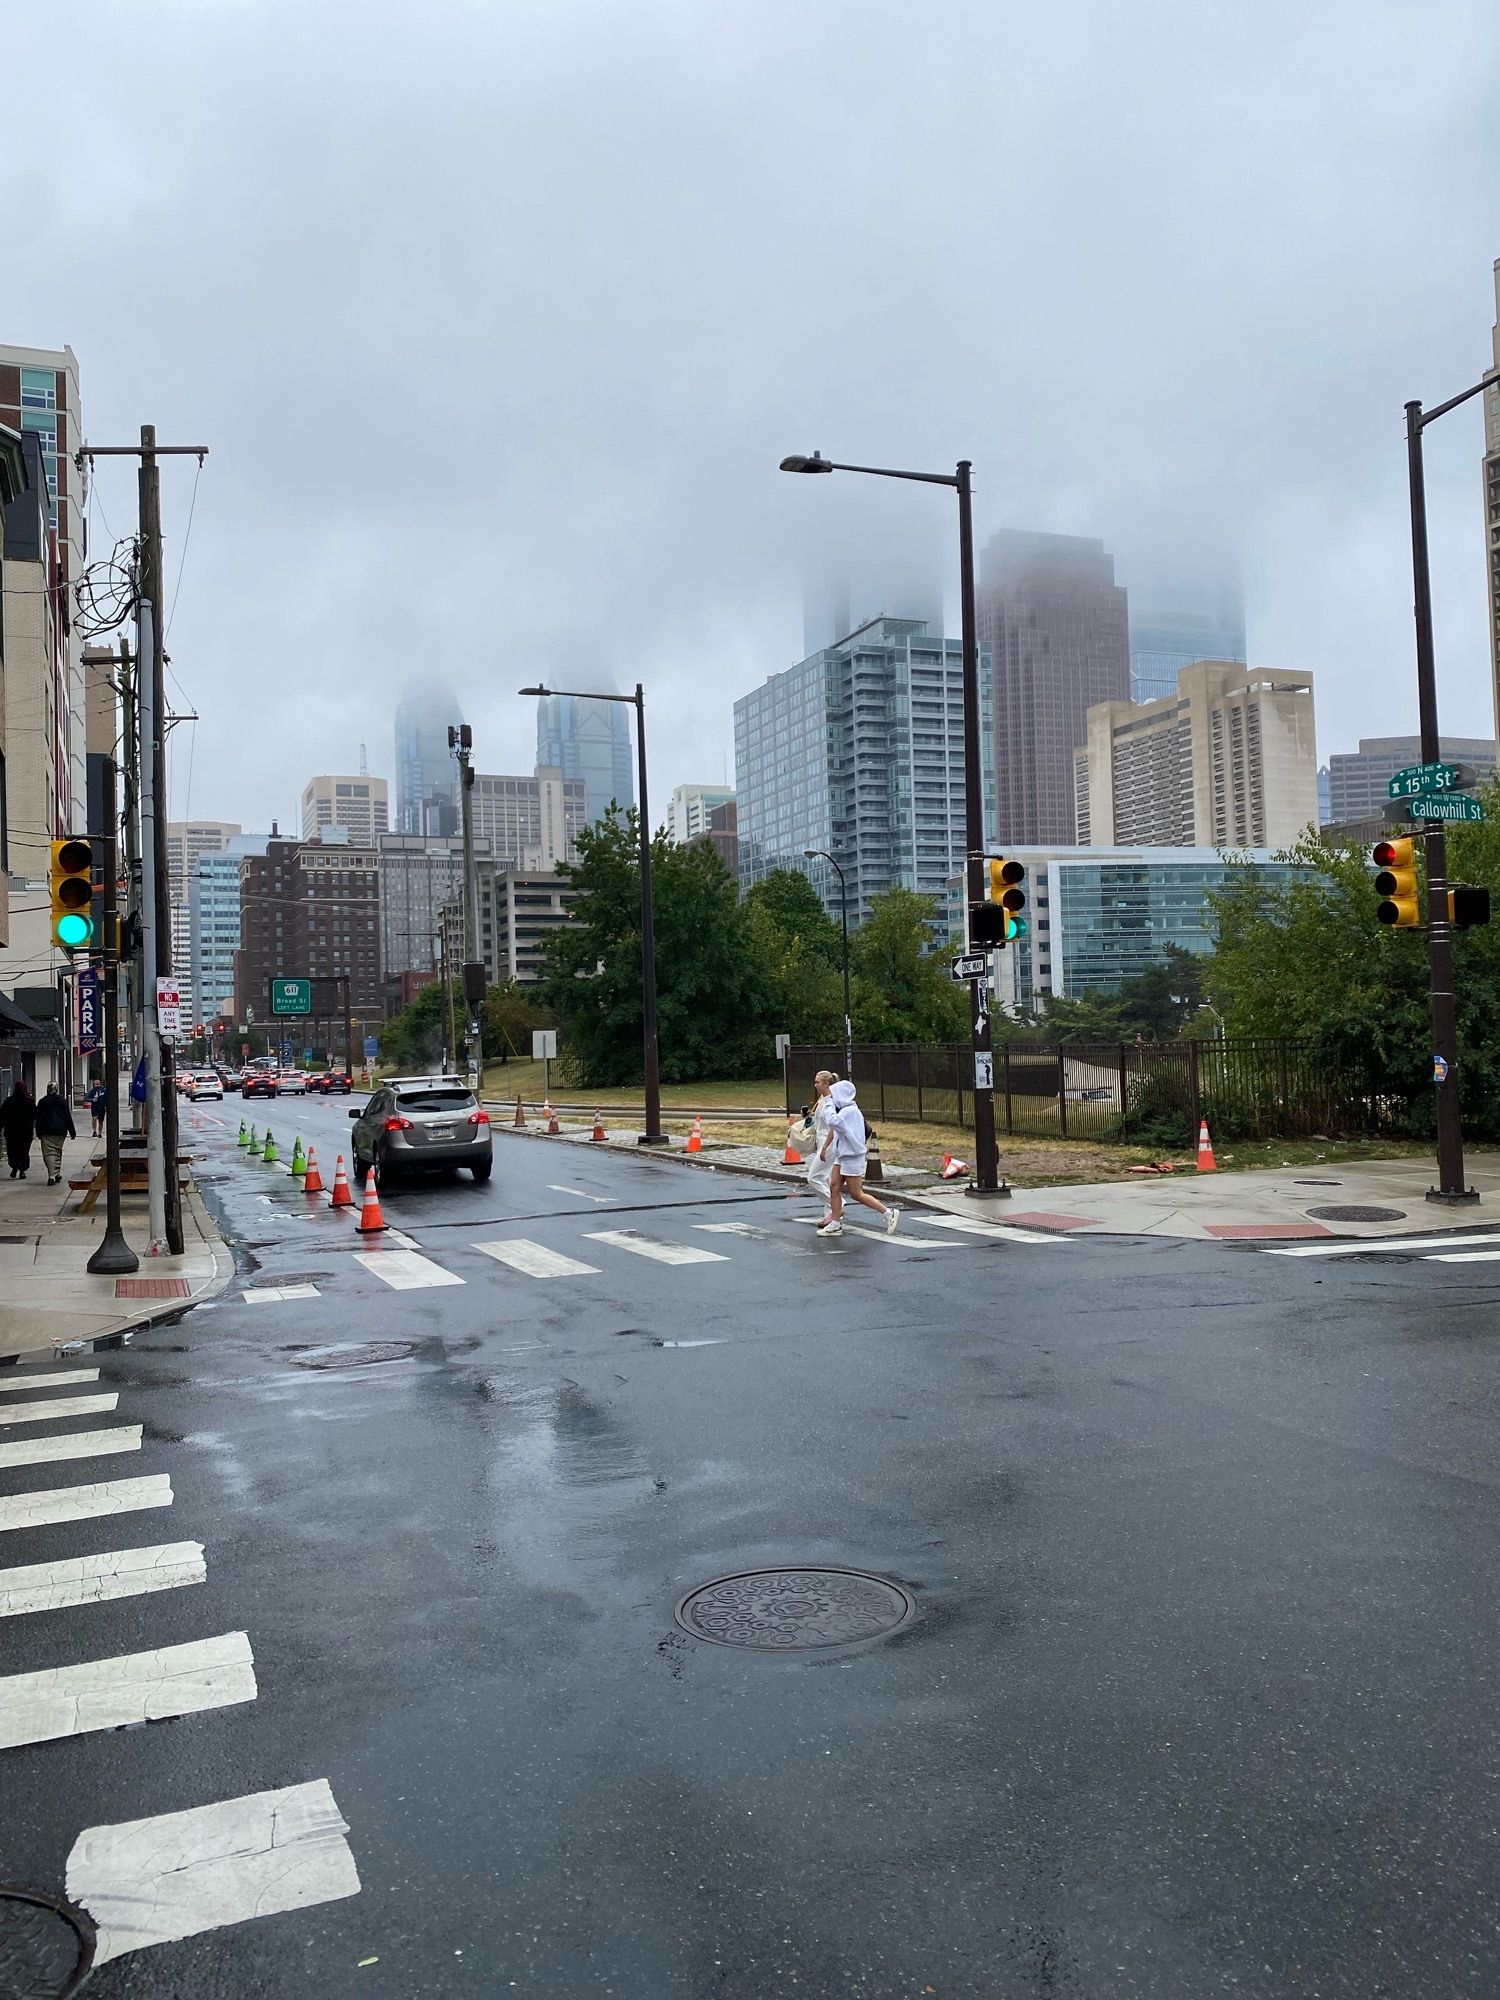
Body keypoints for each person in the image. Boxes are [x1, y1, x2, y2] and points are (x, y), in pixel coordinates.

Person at [818, 1078, 899, 1238]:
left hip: (852, 1156)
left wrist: (827, 1100)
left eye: (834, 1094)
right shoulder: (848, 1110)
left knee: (856, 1193)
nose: (833, 1097)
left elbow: (833, 1122)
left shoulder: (849, 1112)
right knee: (834, 1186)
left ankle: (888, 1212)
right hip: (843, 1154)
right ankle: (835, 1223)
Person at [805, 1069, 839, 1226]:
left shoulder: (830, 1100)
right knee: (825, 1178)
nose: (815, 1085)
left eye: (817, 1082)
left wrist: (825, 1147)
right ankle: (831, 1215)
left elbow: (833, 1126)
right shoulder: (822, 1099)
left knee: (813, 1178)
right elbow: (819, 1120)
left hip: (828, 1142)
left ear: (826, 1083)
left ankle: (838, 1206)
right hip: (822, 1140)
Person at [34, 1082, 76, 1187]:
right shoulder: (62, 1101)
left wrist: (38, 1132)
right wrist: (72, 1131)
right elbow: (67, 1116)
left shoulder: (42, 1102)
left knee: (48, 1154)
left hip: (46, 1131)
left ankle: (52, 1175)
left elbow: (38, 1119)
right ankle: (56, 1174)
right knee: (57, 1152)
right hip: (60, 1131)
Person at [1, 1080, 36, 1180]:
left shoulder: (9, 1101)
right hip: (26, 1132)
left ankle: (14, 1166)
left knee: (12, 1151)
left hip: (11, 1132)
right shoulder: (29, 1102)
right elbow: (35, 1115)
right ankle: (22, 1170)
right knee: (24, 1151)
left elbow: (2, 1116)